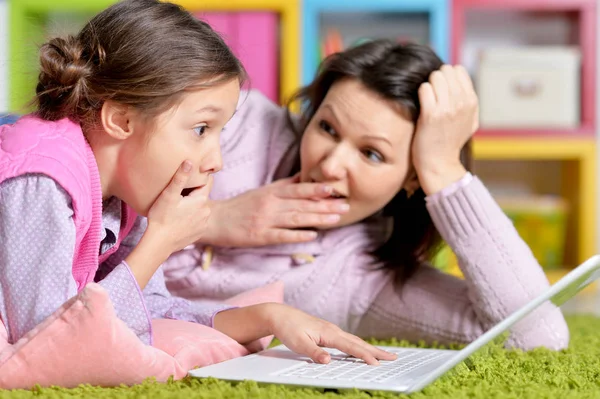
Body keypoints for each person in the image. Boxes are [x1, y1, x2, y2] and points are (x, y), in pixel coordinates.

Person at [0, 0, 396, 366]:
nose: (216, 161)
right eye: (201, 128)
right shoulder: (41, 179)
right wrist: (160, 241)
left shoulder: (125, 194)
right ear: (121, 119)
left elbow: (149, 307)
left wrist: (267, 318)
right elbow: (46, 344)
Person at [164, 40, 569, 350]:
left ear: (413, 178)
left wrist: (445, 171)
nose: (331, 164)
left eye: (371, 153)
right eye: (327, 128)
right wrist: (213, 220)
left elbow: (536, 333)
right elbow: (105, 193)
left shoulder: (365, 281)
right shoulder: (235, 120)